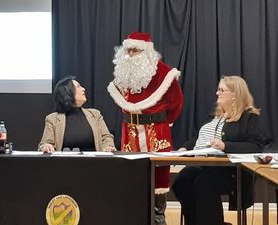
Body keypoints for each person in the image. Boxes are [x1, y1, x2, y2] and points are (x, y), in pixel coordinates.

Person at [107, 32, 184, 225]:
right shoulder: (123, 75)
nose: (131, 54)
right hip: (130, 133)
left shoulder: (165, 74)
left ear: (147, 52)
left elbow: (177, 103)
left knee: (158, 180)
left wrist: (165, 123)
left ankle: (158, 220)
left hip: (157, 131)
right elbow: (120, 102)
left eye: (136, 50)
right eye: (129, 50)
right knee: (132, 178)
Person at [172, 75, 266, 225]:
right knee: (182, 182)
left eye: (222, 90)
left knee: (204, 184)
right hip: (203, 165)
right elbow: (198, 137)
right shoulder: (213, 116)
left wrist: (225, 146)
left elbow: (256, 146)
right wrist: (184, 147)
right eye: (218, 90)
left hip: (231, 170)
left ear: (235, 95)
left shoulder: (248, 117)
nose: (217, 93)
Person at [39, 75, 115, 152]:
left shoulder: (95, 114)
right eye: (78, 86)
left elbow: (106, 137)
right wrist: (46, 146)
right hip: (64, 163)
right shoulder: (52, 119)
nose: (83, 89)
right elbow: (45, 143)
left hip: (94, 162)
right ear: (68, 92)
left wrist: (108, 146)